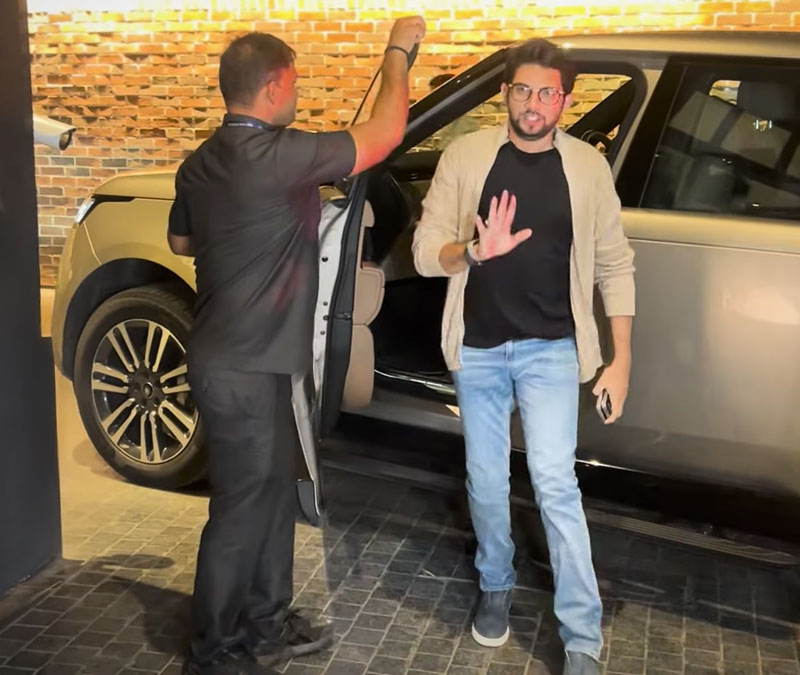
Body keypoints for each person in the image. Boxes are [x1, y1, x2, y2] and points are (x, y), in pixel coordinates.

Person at [167, 16, 426, 675]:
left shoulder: (199, 163)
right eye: (297, 84)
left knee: (274, 492)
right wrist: (398, 53)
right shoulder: (282, 155)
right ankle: (215, 650)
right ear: (274, 86)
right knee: (240, 508)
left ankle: (265, 623)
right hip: (245, 369)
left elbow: (180, 242)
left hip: (249, 361)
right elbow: (385, 134)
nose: (299, 94)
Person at [411, 38, 635, 675]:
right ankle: (496, 582)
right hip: (478, 348)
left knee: (555, 482)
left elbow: (615, 264)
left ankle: (582, 636)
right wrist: (473, 252)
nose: (533, 104)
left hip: (552, 348)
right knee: (485, 480)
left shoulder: (587, 168)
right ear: (506, 93)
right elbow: (425, 251)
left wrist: (621, 359)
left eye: (547, 94)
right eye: (523, 91)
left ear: (565, 100)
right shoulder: (466, 156)